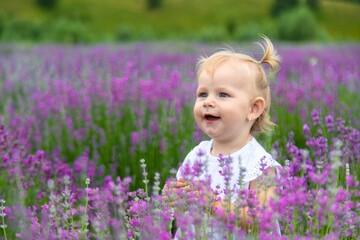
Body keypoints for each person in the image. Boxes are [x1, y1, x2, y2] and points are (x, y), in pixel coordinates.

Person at [163, 36, 282, 239]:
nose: (208, 102)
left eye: (223, 95)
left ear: (253, 108)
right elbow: (186, 212)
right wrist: (174, 197)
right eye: (202, 94)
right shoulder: (197, 155)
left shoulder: (260, 165)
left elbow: (261, 219)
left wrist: (214, 204)